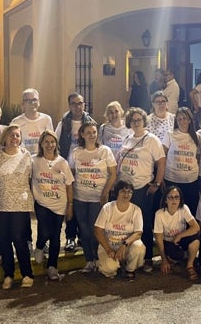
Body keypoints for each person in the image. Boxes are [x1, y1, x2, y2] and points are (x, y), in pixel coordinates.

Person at [118, 107, 166, 272]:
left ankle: (147, 259)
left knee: (143, 223)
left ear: (144, 121)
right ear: (129, 122)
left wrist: (157, 183)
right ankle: (130, 255)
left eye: (139, 120)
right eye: (133, 120)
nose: (136, 123)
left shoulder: (151, 140)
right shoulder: (127, 138)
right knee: (127, 222)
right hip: (125, 188)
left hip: (142, 188)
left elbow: (161, 162)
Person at [0, 125, 35, 289]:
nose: (14, 138)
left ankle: (27, 274)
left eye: (17, 135)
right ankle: (8, 275)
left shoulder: (27, 156)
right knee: (4, 241)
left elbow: (32, 180)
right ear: (4, 138)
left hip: (20, 204)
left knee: (19, 239)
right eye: (11, 135)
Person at [70, 121, 117, 273]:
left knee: (95, 229)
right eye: (88, 132)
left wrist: (106, 192)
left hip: (98, 198)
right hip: (80, 197)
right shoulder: (76, 152)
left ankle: (97, 258)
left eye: (94, 132)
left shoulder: (105, 151)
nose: (91, 135)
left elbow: (113, 174)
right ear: (82, 134)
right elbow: (70, 175)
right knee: (83, 229)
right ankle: (88, 260)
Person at [31, 130, 74, 281]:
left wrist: (70, 205)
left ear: (56, 144)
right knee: (45, 229)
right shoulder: (33, 161)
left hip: (59, 203)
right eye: (46, 142)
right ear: (41, 144)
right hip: (42, 202)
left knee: (56, 235)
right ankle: (40, 245)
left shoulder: (62, 162)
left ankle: (52, 267)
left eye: (52, 142)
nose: (49, 145)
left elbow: (69, 185)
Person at [56, 92, 94, 252]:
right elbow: (56, 143)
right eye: (74, 103)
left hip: (84, 168)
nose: (77, 106)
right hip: (67, 167)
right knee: (70, 203)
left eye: (80, 103)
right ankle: (70, 237)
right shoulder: (64, 123)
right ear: (69, 105)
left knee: (81, 204)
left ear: (84, 104)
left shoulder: (91, 123)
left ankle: (82, 238)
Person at [94, 180, 145, 279]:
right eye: (123, 191)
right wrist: (108, 249)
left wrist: (124, 245)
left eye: (129, 192)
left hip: (125, 247)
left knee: (139, 247)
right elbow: (97, 230)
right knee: (109, 270)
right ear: (117, 192)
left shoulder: (136, 210)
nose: (126, 194)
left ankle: (130, 269)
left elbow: (138, 233)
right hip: (108, 246)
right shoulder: (107, 208)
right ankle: (110, 264)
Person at [153, 186, 200, 280]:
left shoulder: (183, 208)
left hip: (180, 239)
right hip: (168, 242)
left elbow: (196, 227)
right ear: (166, 200)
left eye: (176, 197)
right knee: (177, 255)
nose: (174, 200)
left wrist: (180, 235)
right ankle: (172, 259)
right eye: (170, 197)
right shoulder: (160, 214)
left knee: (195, 239)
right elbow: (158, 238)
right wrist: (163, 260)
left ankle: (190, 266)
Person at [162, 107, 201, 215]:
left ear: (189, 120)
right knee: (173, 210)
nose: (182, 121)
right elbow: (162, 156)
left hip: (191, 180)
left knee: (191, 210)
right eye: (179, 119)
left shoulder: (197, 137)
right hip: (172, 179)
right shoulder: (170, 134)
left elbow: (197, 157)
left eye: (184, 118)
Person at [10, 88, 54, 155]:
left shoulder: (46, 119)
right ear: (23, 104)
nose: (32, 102)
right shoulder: (16, 122)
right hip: (23, 158)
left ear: (39, 102)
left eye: (34, 100)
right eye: (28, 100)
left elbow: (51, 141)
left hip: (42, 158)